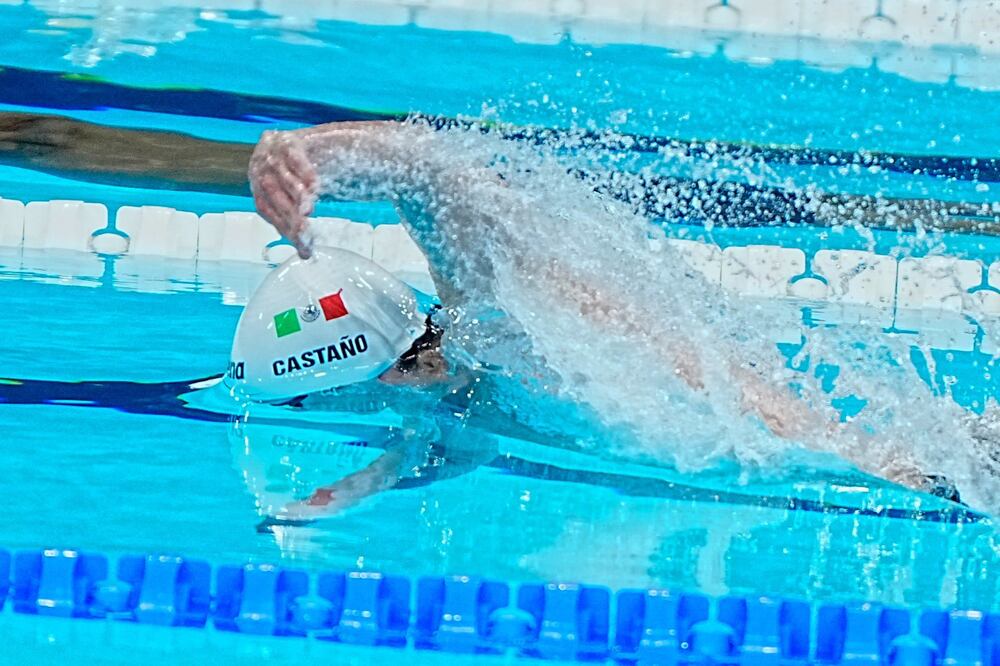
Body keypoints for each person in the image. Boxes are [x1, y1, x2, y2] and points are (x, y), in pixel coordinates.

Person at [246, 119, 971, 505]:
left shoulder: (497, 324)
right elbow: (452, 447)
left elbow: (426, 169)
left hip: (910, 474)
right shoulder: (468, 383)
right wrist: (368, 483)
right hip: (889, 467)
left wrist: (295, 151)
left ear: (385, 372)